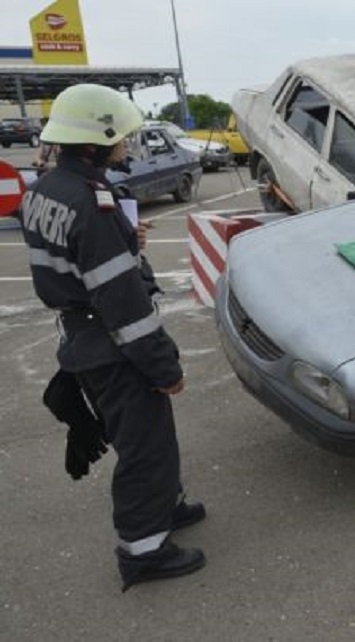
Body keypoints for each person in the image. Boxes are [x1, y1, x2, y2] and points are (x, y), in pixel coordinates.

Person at [17, 84, 205, 591]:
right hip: (112, 345)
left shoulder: (46, 190)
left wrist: (125, 238)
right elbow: (123, 303)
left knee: (148, 437)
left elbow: (71, 256)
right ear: (94, 143)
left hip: (83, 337)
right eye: (120, 136)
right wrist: (164, 367)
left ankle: (166, 507)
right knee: (144, 447)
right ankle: (144, 551)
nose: (126, 144)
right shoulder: (91, 203)